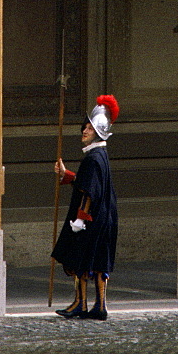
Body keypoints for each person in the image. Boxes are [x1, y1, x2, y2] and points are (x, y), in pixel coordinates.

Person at [52, 94, 119, 320]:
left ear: (99, 131)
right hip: (105, 217)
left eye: (89, 128)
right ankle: (99, 306)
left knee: (80, 257)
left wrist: (80, 219)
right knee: (99, 259)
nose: (84, 131)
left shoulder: (93, 158)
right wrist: (67, 175)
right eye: (85, 127)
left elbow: (88, 192)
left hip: (91, 219)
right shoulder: (100, 155)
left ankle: (81, 304)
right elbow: (86, 181)